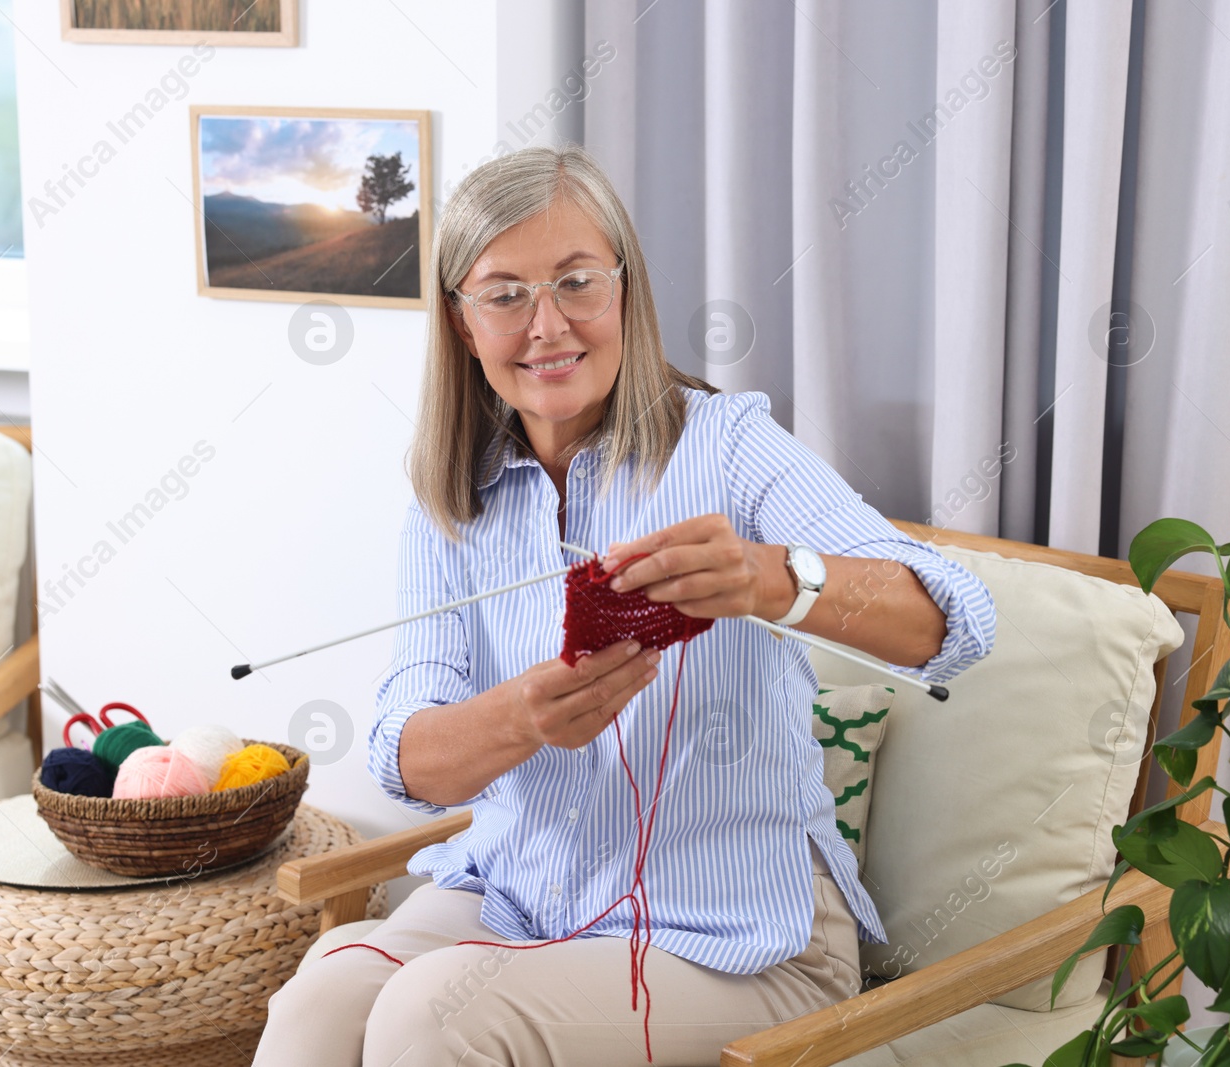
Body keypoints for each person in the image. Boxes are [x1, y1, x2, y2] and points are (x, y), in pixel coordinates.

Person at [252, 145, 995, 1067]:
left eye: (575, 282)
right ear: (461, 323)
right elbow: (406, 754)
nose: (547, 325)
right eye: (505, 293)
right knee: (317, 1001)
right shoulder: (452, 496)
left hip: (738, 935)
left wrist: (771, 578)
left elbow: (955, 619)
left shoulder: (729, 450)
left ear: (625, 292)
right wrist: (518, 717)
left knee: (434, 1016)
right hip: (521, 896)